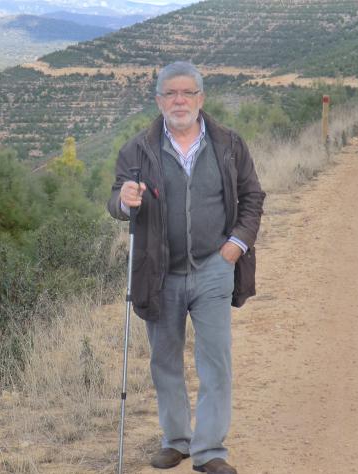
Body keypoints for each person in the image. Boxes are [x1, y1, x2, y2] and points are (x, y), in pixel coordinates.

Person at [108, 61, 265, 474]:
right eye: (171, 93)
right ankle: (176, 441)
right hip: (159, 273)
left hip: (215, 267)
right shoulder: (136, 150)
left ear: (201, 98)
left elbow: (252, 197)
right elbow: (116, 202)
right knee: (165, 361)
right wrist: (124, 200)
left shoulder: (229, 144)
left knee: (216, 361)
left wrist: (235, 246)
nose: (179, 101)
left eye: (187, 92)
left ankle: (209, 449)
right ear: (158, 100)